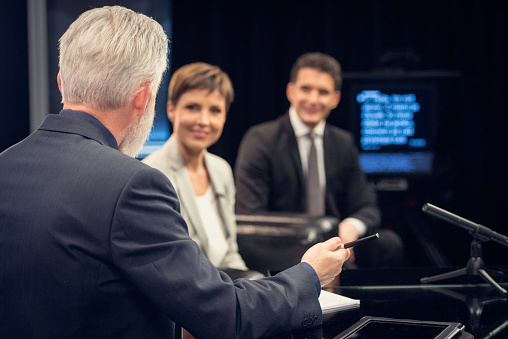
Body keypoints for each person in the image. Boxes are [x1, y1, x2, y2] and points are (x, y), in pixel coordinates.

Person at [0, 7, 350, 339]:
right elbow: (226, 317)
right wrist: (309, 274)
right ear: (144, 97)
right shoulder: (133, 183)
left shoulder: (6, 165)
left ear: (61, 82)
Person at [235, 52, 403, 269]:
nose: (313, 99)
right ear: (291, 91)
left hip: (336, 239)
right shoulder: (260, 140)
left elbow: (367, 206)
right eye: (306, 89)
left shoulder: (343, 142)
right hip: (283, 244)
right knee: (343, 267)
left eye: (323, 92)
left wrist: (348, 229)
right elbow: (252, 218)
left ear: (335, 99)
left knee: (390, 245)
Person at [142, 62, 261, 278]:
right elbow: (169, 264)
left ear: (224, 117)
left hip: (224, 284)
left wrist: (250, 288)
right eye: (192, 108)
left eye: (215, 110)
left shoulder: (221, 169)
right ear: (171, 109)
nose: (203, 121)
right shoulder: (151, 173)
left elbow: (230, 251)